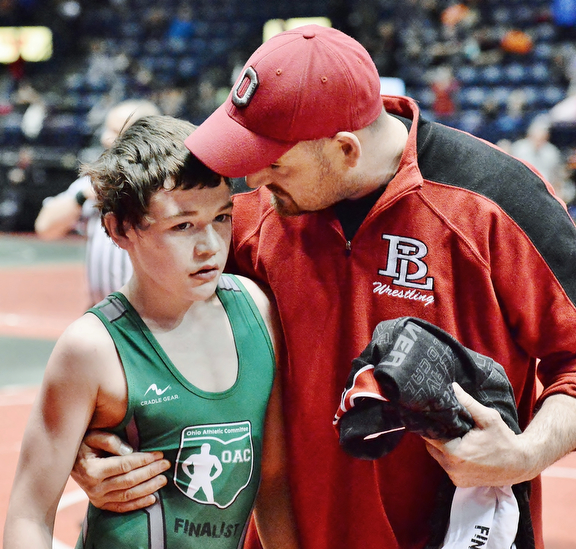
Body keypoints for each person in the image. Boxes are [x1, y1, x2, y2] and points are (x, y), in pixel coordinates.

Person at [71, 25, 576, 549]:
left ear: (344, 149)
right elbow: (144, 326)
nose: (253, 180)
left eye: (274, 162)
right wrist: (95, 443)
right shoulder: (237, 216)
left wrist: (525, 453)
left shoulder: (497, 203)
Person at [3, 115, 297, 549]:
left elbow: (271, 482)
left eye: (221, 217)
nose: (211, 247)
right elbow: (28, 514)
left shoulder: (255, 310)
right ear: (120, 230)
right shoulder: (92, 348)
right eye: (182, 226)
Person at [34, 99, 160, 305]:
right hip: (103, 315)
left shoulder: (167, 186)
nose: (105, 139)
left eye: (116, 131)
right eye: (106, 130)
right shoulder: (95, 182)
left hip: (154, 319)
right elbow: (45, 228)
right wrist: (82, 196)